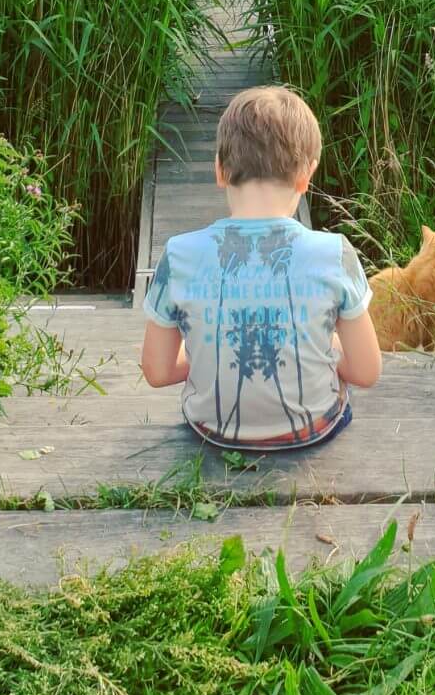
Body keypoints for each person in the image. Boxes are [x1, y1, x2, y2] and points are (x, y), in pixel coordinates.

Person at [140, 86, 382, 449]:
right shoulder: (334, 252)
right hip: (311, 431)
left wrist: (209, 353)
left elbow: (157, 372)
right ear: (306, 176)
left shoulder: (178, 254)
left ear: (219, 171)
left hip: (212, 430)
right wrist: (326, 350)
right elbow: (366, 372)